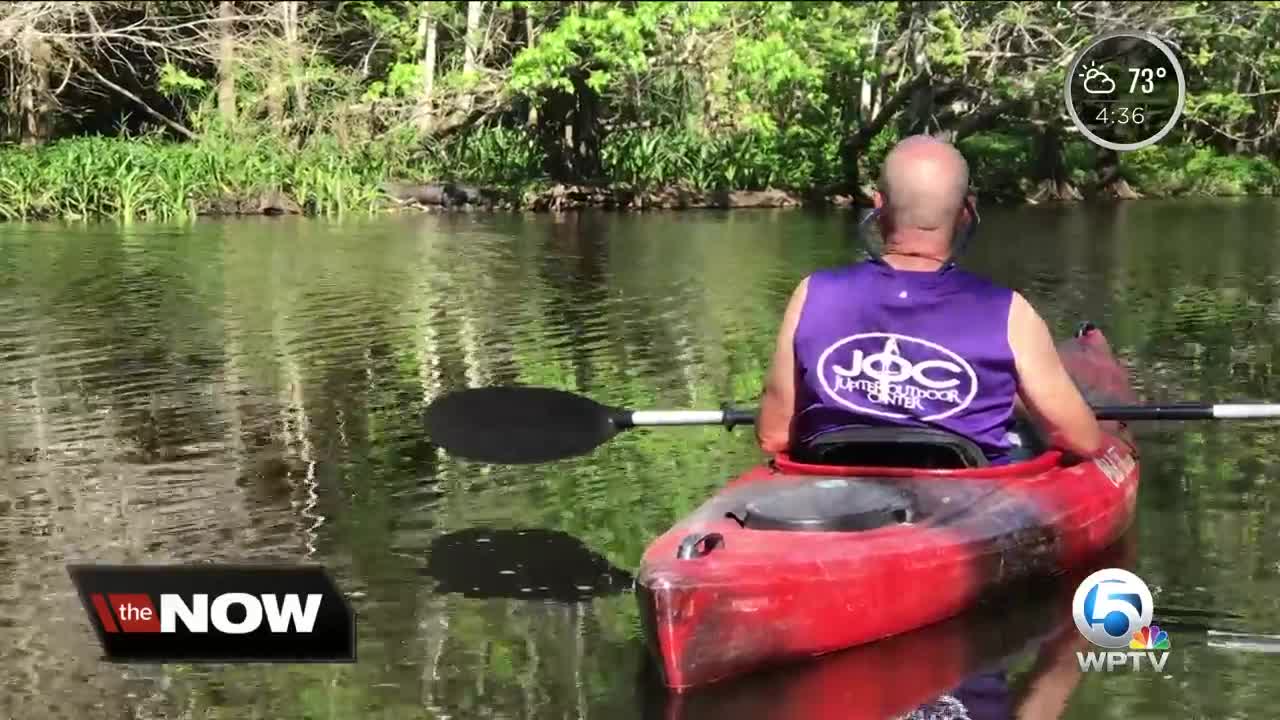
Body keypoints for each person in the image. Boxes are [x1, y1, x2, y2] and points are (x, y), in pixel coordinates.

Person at [755, 135, 1102, 464]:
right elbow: (1084, 440)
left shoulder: (812, 294)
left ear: (878, 207)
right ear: (967, 213)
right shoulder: (1009, 312)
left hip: (832, 498)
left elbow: (773, 436)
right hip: (967, 505)